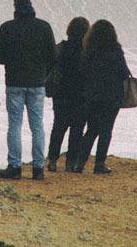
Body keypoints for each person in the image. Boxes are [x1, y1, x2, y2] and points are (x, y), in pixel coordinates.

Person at [0, 0, 56, 180]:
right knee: (37, 125)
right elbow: (52, 56)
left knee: (15, 124)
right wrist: (42, 71)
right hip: (37, 82)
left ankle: (15, 167)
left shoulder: (7, 28)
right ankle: (38, 168)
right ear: (31, 4)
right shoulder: (44, 27)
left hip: (15, 82)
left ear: (14, 6)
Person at [71, 19, 131, 174]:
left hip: (92, 95)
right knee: (106, 130)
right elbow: (124, 74)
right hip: (112, 96)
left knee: (91, 130)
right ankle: (99, 164)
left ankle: (80, 164)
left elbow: (82, 71)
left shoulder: (89, 50)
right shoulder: (116, 51)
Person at [46, 17, 90, 172]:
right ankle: (70, 162)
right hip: (81, 95)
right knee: (77, 129)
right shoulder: (88, 52)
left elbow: (49, 68)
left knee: (58, 127)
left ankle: (52, 160)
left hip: (61, 94)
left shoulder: (60, 48)